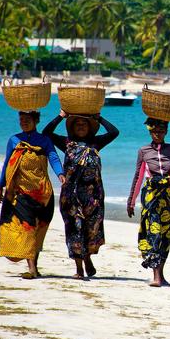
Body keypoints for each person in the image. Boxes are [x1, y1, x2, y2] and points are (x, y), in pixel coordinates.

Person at [43, 110, 119, 279]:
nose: (81, 126)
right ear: (72, 128)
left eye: (84, 124)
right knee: (74, 229)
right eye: (77, 124)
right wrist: (61, 116)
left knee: (91, 230)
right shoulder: (67, 143)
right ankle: (79, 268)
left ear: (90, 128)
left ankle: (87, 257)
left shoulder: (96, 143)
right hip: (71, 196)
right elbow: (46, 133)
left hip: (94, 197)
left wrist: (99, 118)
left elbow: (114, 132)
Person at [0, 111, 65, 279]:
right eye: (21, 120)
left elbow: (54, 158)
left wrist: (60, 174)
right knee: (26, 227)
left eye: (27, 120)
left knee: (38, 230)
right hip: (21, 192)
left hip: (42, 193)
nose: (23, 123)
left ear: (36, 121)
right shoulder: (14, 140)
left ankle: (34, 265)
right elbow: (7, 163)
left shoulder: (44, 140)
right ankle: (32, 268)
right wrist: (1, 185)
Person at [127, 118, 170, 287]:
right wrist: (131, 201)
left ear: (166, 132)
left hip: (167, 196)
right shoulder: (143, 151)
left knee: (166, 235)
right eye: (154, 132)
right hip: (151, 196)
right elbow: (138, 176)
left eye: (161, 131)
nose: (157, 134)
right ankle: (156, 276)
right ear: (150, 132)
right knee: (154, 233)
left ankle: (161, 274)